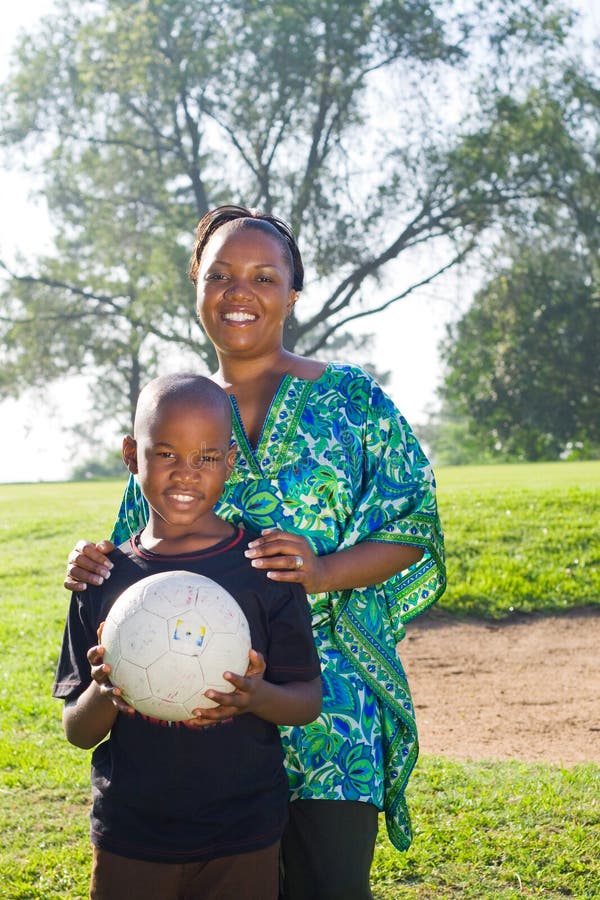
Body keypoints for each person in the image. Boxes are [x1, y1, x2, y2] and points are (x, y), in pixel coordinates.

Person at [65, 205, 446, 900]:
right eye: (220, 275)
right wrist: (92, 561)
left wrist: (325, 570)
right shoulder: (177, 408)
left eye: (263, 276)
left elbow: (414, 525)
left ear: (292, 293)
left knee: (328, 882)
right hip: (206, 703)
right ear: (197, 287)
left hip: (331, 696)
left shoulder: (351, 400)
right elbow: (137, 551)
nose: (240, 292)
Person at [54, 372, 322, 900]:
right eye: (167, 454)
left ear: (230, 461)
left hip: (243, 832)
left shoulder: (263, 569)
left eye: (205, 457)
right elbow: (77, 731)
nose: (186, 473)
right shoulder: (103, 577)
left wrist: (256, 695)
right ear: (132, 455)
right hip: (132, 834)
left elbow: (307, 701)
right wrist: (106, 692)